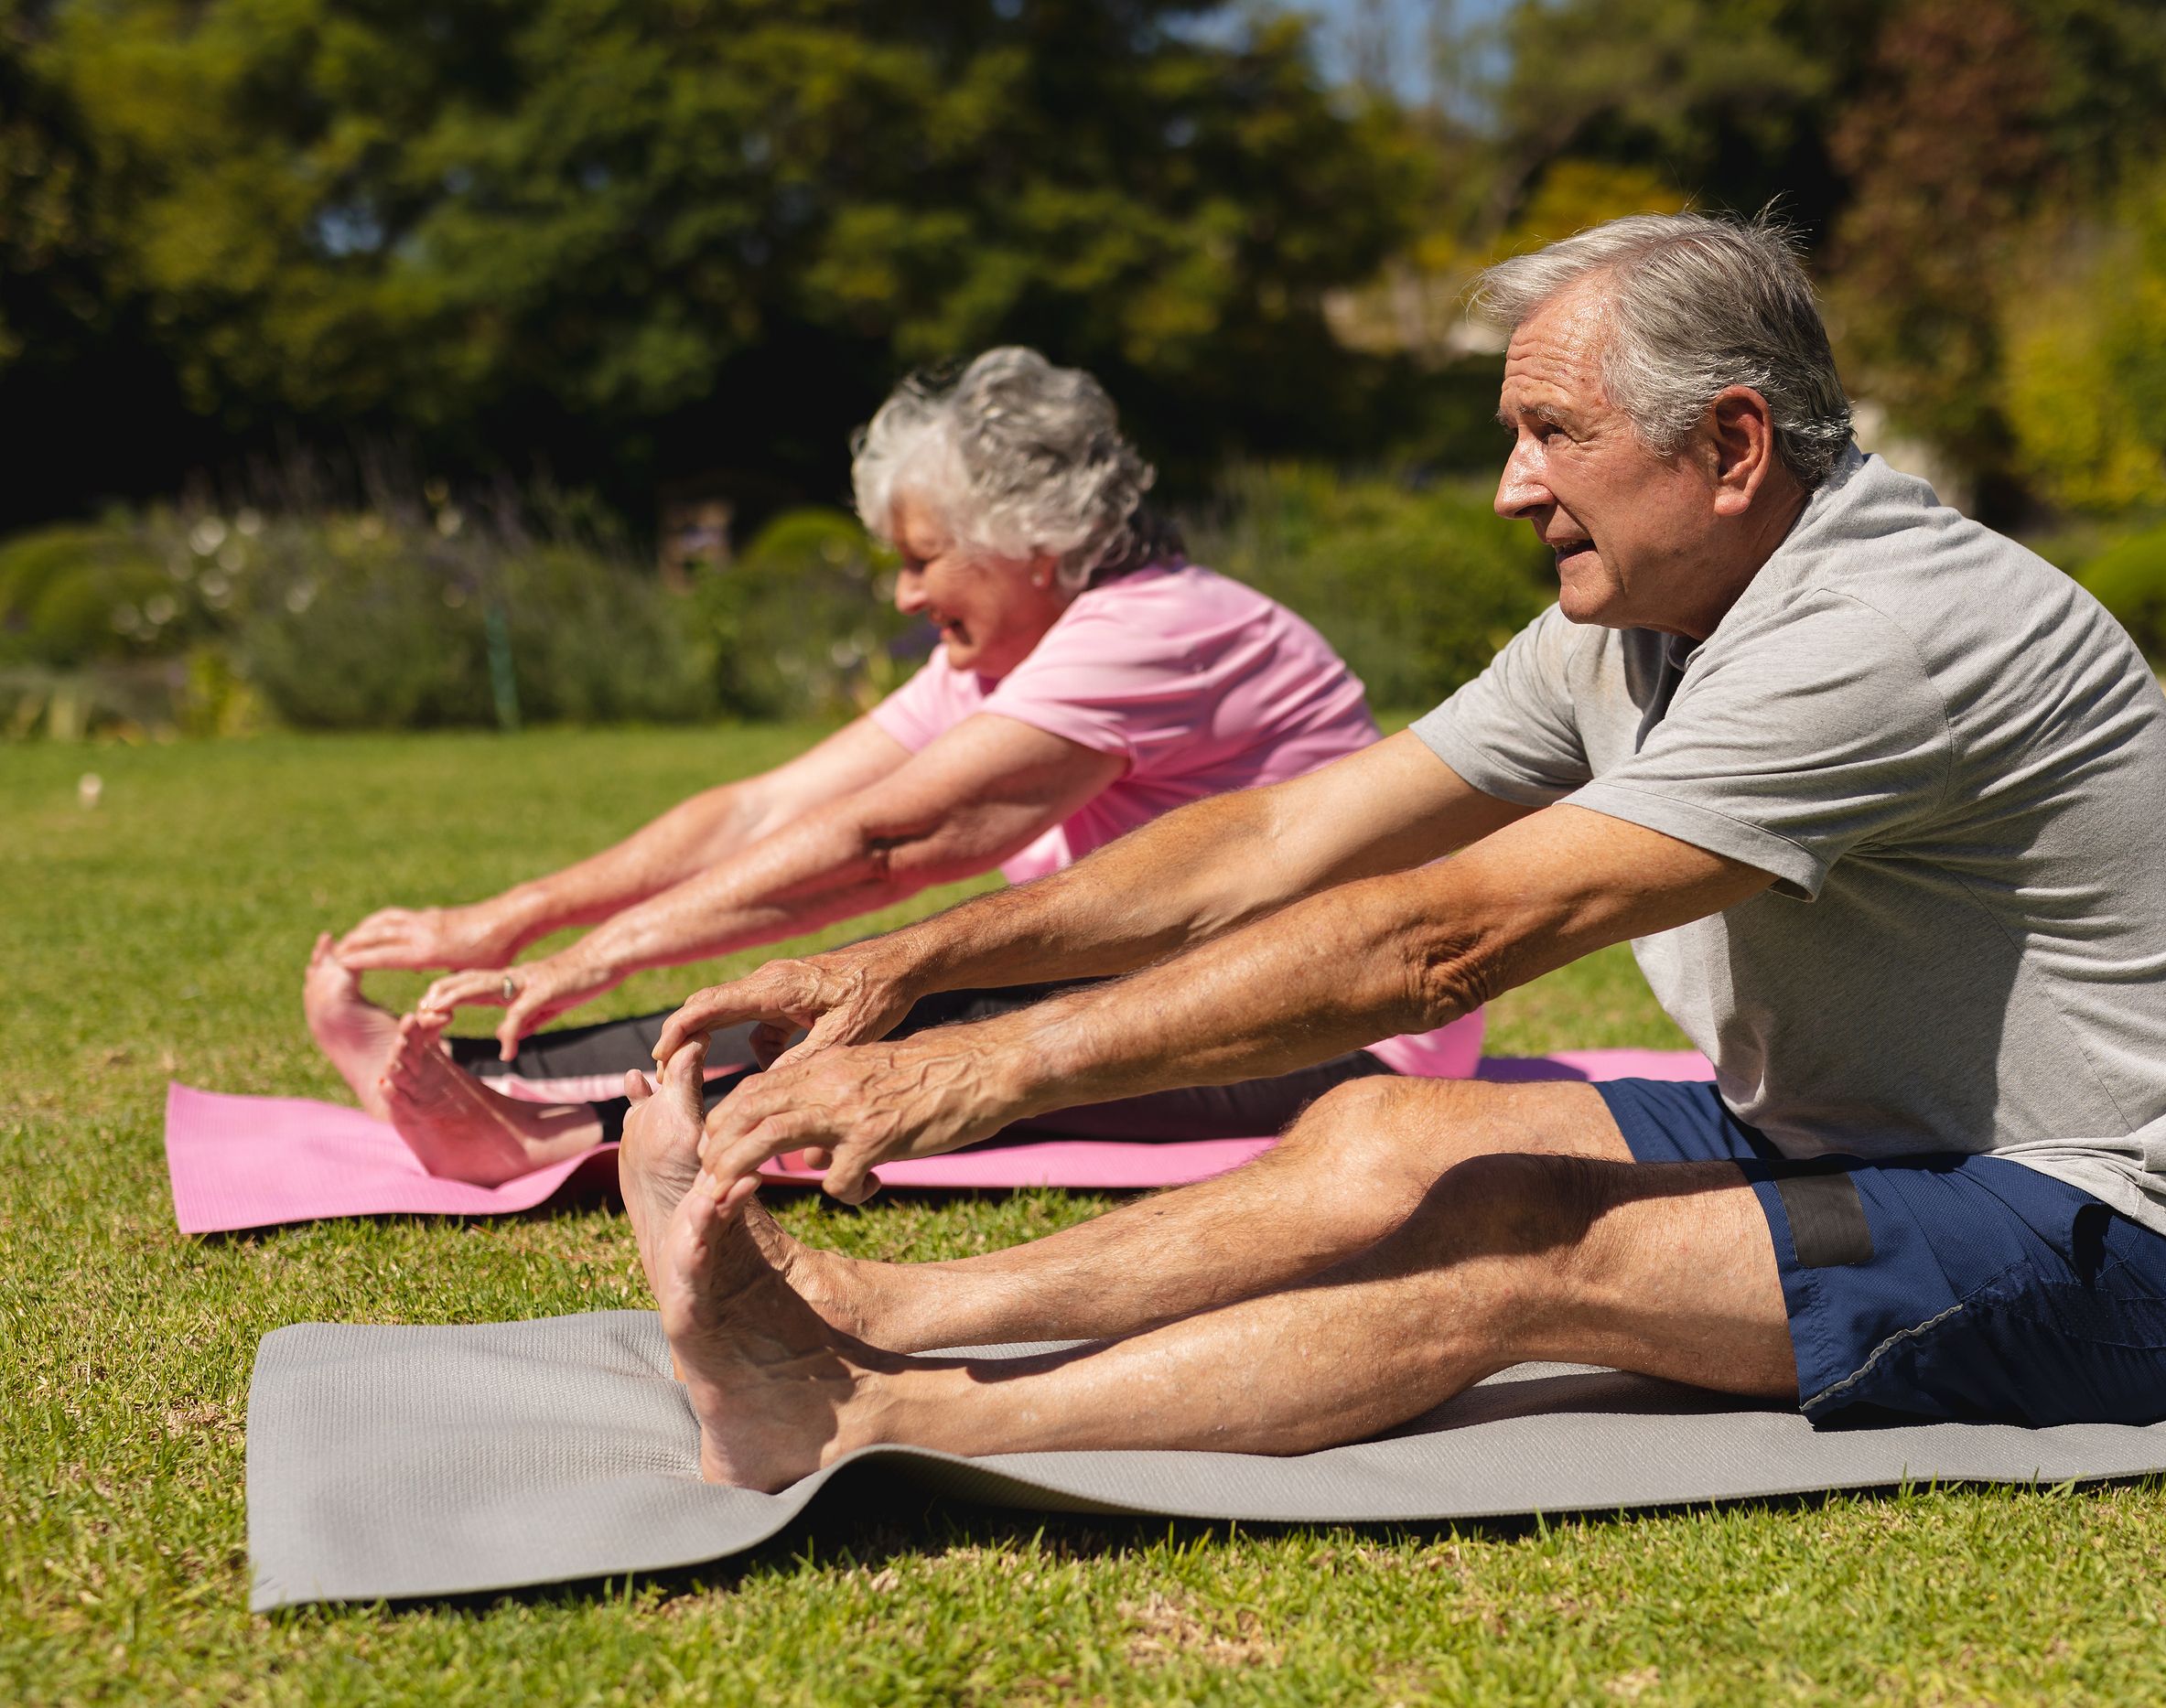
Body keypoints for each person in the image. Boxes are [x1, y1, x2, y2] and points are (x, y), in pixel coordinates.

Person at [611, 211, 2166, 1491]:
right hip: (1840, 1121)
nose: (1510, 488)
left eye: (1552, 436)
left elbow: (1433, 947)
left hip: (2112, 1227)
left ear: (1729, 447)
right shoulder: (1632, 616)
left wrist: (980, 1080)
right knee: (1374, 1128)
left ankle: (869, 1416)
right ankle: (893, 1310)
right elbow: (1284, 836)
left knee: (1508, 1232)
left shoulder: (1882, 632)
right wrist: (910, 967)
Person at [301, 347, 1482, 1184]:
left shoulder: (1161, 629)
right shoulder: (1008, 649)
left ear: (1034, 541)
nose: (904, 594)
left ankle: (544, 1129)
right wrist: (514, 921)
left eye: (924, 559)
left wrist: (601, 954)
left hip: (1331, 1036)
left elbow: (889, 850)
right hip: (1162, 991)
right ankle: (481, 1080)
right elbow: (770, 807)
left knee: (915, 1004)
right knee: (900, 991)